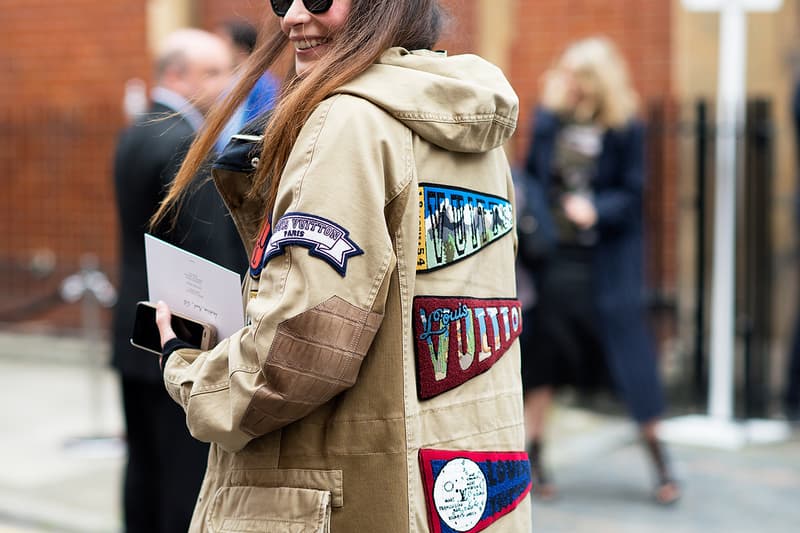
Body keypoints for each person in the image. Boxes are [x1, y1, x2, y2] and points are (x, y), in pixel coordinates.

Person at [149, 1, 532, 531]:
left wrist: (187, 364)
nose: (292, 17)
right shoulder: (471, 128)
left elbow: (298, 351)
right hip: (470, 491)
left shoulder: (349, 120)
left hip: (351, 495)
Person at [520, 36, 681, 505]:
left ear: (597, 82)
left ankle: (661, 463)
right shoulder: (549, 120)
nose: (568, 83)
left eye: (578, 76)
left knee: (633, 362)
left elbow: (634, 194)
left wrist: (596, 209)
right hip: (556, 261)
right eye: (566, 74)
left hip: (608, 263)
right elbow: (531, 176)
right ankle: (534, 461)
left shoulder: (625, 127)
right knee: (543, 361)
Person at [111, 28, 247, 533]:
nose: (226, 84)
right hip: (176, 337)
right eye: (213, 72)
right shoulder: (185, 143)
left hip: (134, 325)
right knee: (182, 478)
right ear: (176, 75)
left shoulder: (138, 127)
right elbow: (212, 256)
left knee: (144, 467)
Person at [214, 19, 280, 153]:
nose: (216, 48)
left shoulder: (262, 83)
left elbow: (260, 127)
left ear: (241, 49)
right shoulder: (231, 80)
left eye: (223, 42)